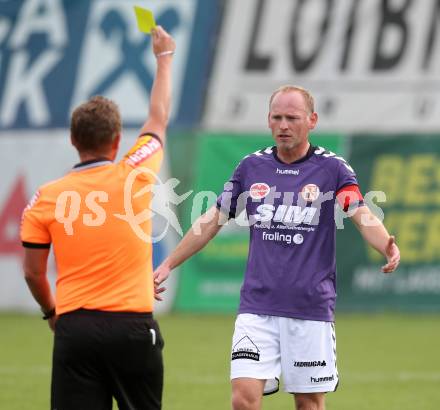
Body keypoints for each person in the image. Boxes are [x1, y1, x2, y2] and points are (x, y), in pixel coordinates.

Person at [153, 85, 400, 410]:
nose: (283, 125)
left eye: (292, 118)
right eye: (277, 117)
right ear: (269, 121)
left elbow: (360, 212)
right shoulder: (250, 167)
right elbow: (212, 220)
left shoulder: (332, 169)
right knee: (243, 398)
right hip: (257, 308)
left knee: (308, 404)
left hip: (310, 309)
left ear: (312, 120)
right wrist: (169, 262)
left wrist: (386, 245)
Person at [20, 26, 175, 410]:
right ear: (118, 140)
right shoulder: (134, 172)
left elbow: (33, 273)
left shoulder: (46, 197)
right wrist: (164, 58)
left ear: (74, 140)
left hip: (76, 329)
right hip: (132, 327)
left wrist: (51, 312)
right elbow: (157, 118)